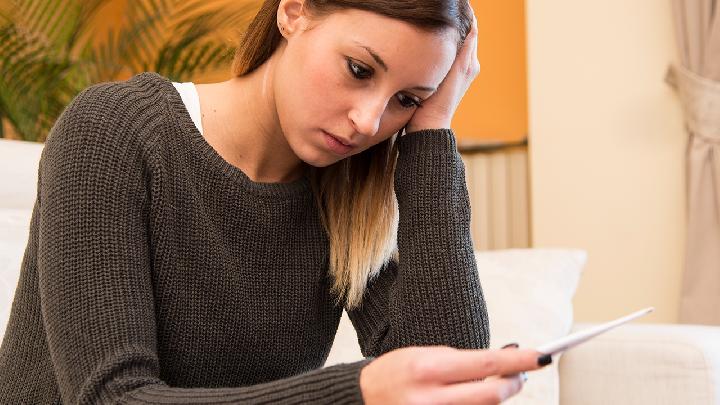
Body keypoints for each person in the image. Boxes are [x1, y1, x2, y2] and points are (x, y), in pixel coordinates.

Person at [0, 0, 551, 403]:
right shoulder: (114, 132)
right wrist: (356, 392)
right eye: (359, 70)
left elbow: (453, 376)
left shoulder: (348, 196)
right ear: (293, 11)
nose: (369, 122)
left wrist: (431, 131)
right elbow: (111, 398)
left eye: (405, 99)